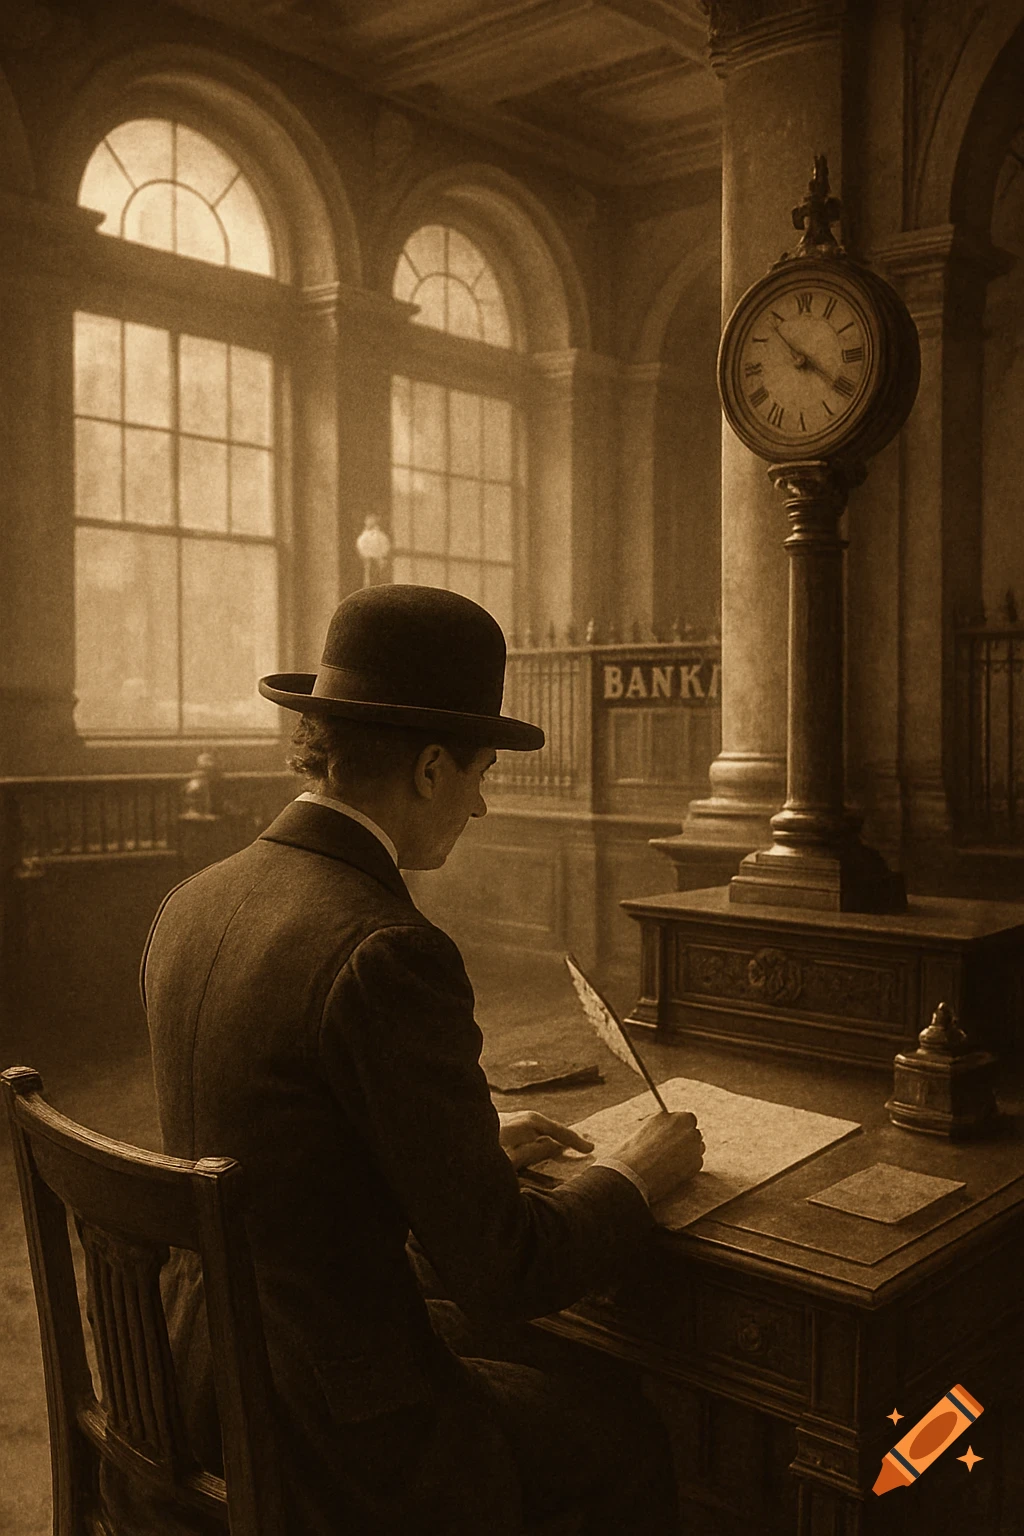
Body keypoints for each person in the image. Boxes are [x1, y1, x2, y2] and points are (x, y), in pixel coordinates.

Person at [143, 584, 705, 1535]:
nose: (481, 804)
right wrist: (633, 1176)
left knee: (544, 1364)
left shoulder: (191, 900)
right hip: (325, 1437)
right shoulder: (387, 947)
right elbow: (505, 1271)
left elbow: (277, 1134)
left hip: (190, 1371)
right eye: (482, 774)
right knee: (628, 1435)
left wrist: (463, 1148)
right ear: (434, 768)